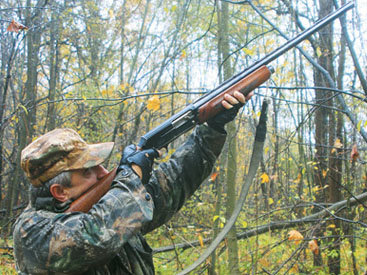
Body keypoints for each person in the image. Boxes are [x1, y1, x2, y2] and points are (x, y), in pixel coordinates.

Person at [13, 91, 252, 274]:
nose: (103, 172)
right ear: (60, 192)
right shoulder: (33, 233)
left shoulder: (113, 206)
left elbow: (173, 181)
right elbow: (94, 235)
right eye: (89, 170)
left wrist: (213, 128)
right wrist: (131, 176)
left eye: (100, 164)